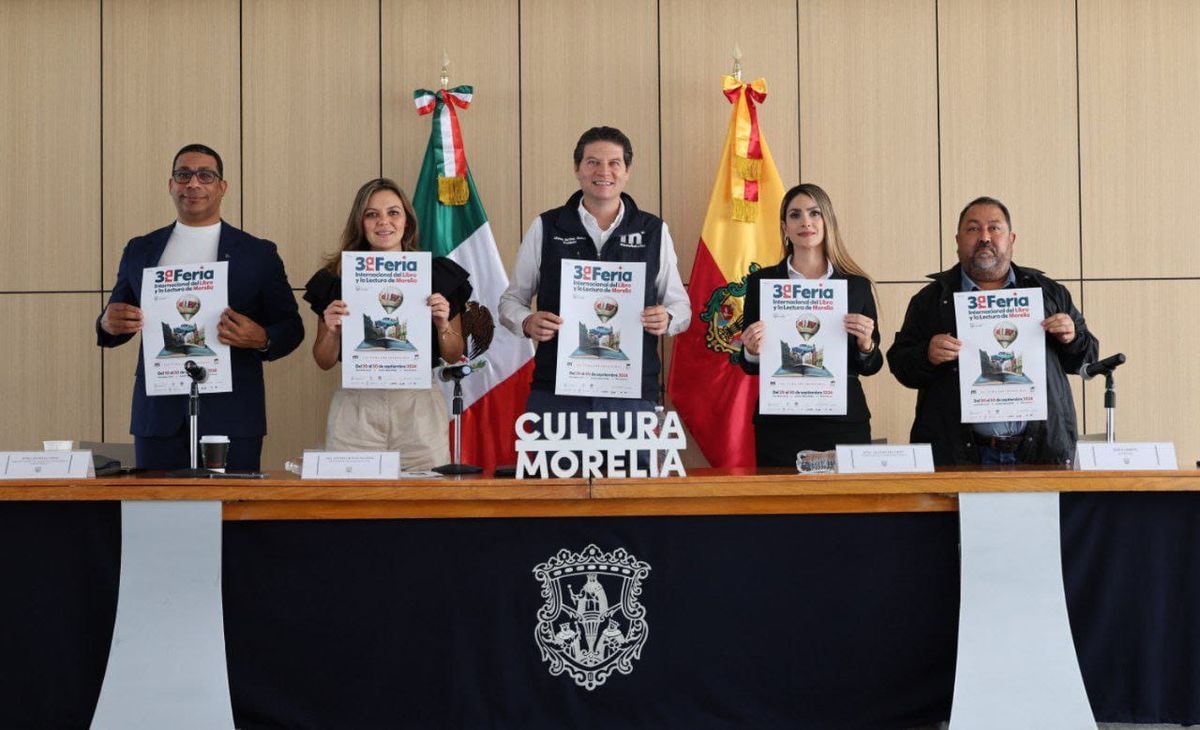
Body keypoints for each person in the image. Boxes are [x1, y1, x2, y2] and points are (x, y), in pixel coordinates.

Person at [96, 143, 304, 470]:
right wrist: (107, 323)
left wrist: (261, 338)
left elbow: (291, 327)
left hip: (233, 417)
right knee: (157, 518)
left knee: (233, 518)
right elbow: (116, 317)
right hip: (159, 417)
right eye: (183, 175)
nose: (193, 184)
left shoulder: (258, 253)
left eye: (205, 175)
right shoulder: (140, 249)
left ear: (222, 187)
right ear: (171, 185)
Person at [498, 126, 690, 430]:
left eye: (614, 163)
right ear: (577, 169)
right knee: (558, 479)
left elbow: (681, 306)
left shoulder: (652, 230)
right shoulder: (547, 226)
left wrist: (667, 317)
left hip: (631, 391)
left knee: (630, 478)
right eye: (592, 162)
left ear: (627, 171)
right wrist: (526, 321)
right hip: (558, 390)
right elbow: (511, 300)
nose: (604, 171)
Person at [887, 196, 1098, 465]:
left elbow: (1088, 360)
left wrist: (1072, 338)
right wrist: (926, 354)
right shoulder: (930, 300)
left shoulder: (1048, 293)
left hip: (1039, 452)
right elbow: (900, 364)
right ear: (957, 241)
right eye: (973, 229)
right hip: (958, 455)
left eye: (994, 228)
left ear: (1011, 239)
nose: (984, 237)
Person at [304, 178, 471, 470]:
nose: (384, 222)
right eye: (372, 214)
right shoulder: (336, 278)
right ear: (361, 222)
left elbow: (453, 355)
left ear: (407, 220)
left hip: (418, 405)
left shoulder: (435, 274)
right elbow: (323, 360)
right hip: (357, 406)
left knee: (425, 505)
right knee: (354, 506)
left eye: (393, 212)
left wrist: (443, 323)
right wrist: (331, 331)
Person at [739, 184, 883, 467]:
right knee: (783, 509)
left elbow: (872, 365)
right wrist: (752, 350)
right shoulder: (762, 284)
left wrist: (867, 344)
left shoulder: (855, 285)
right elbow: (749, 365)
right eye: (795, 215)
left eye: (814, 213)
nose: (805, 222)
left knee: (846, 509)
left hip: (842, 421)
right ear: (784, 227)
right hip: (781, 423)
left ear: (827, 221)